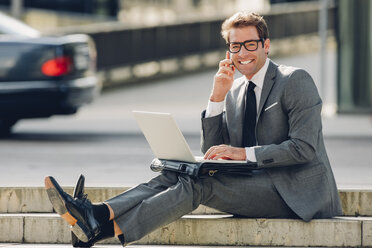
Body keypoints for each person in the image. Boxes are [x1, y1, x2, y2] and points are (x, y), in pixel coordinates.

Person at [44, 11, 342, 247]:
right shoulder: (234, 91)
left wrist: (242, 153)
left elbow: (304, 149)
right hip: (251, 183)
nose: (243, 52)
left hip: (295, 193)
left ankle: (98, 227)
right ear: (229, 51)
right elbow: (210, 150)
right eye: (235, 46)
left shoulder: (295, 80)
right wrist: (216, 99)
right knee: (176, 173)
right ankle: (97, 215)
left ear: (266, 45)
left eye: (250, 44)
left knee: (199, 185)